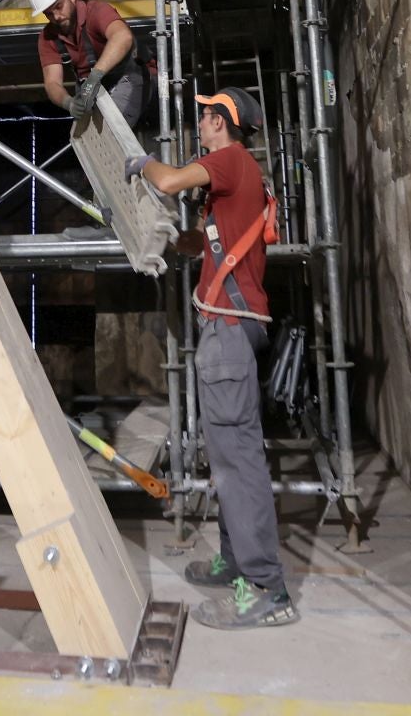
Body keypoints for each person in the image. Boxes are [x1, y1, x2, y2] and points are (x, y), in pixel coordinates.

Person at [124, 87, 296, 630]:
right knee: (225, 456)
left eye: (206, 115)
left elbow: (171, 179)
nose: (200, 123)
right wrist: (176, 243)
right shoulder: (240, 174)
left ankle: (266, 588)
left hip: (229, 330)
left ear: (225, 121)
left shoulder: (230, 159)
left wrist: (142, 163)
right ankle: (235, 563)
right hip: (229, 329)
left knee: (238, 460)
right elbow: (211, 241)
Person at [28, 0, 153, 126]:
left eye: (59, 7)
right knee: (87, 143)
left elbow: (122, 37)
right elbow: (52, 83)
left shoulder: (96, 11)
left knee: (112, 129)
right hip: (91, 87)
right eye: (48, 14)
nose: (56, 17)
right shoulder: (48, 37)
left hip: (129, 76)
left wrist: (95, 76)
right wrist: (68, 103)